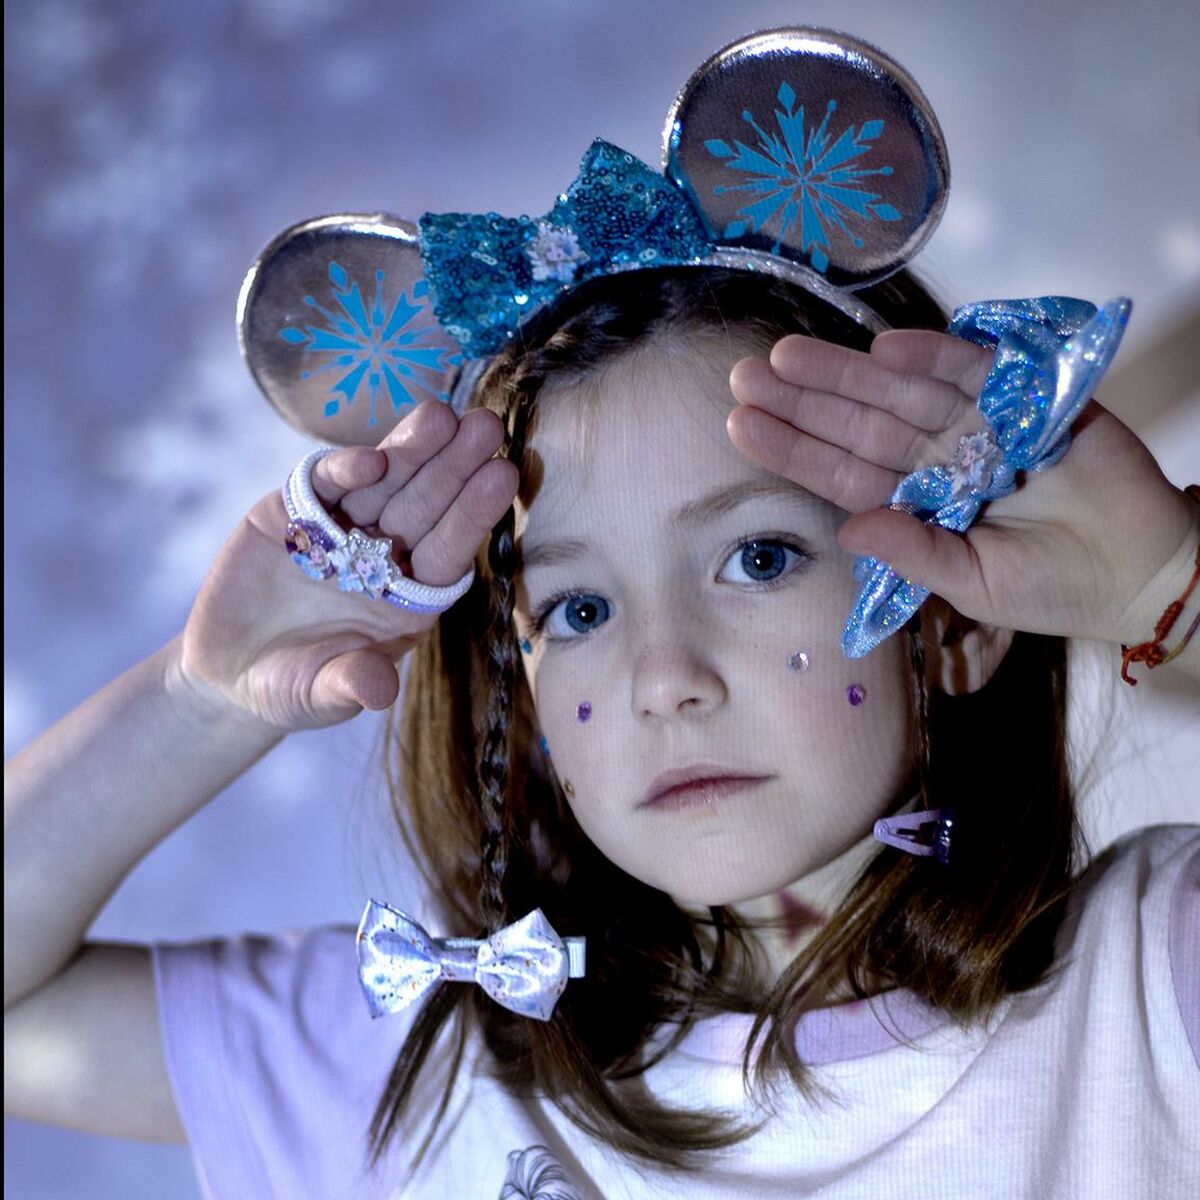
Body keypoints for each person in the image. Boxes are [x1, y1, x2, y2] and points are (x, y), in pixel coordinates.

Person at [6, 27, 1199, 1200]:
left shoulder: (1155, 983)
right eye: (578, 608)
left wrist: (1172, 587)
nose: (662, 678)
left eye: (758, 558)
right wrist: (201, 702)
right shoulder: (418, 1061)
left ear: (952, 623)